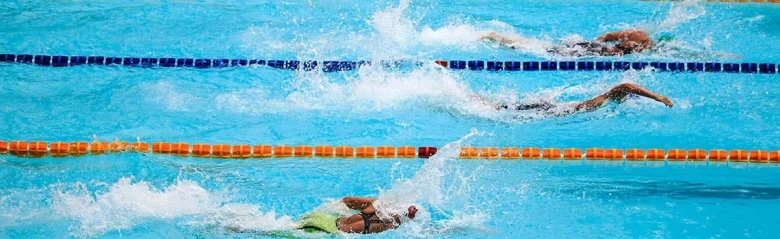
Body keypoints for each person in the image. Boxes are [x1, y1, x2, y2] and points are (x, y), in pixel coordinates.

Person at [477, 83, 673, 116]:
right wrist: (657, 97)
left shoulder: (605, 101)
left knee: (506, 107)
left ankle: (483, 101)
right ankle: (481, 102)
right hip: (554, 110)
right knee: (501, 109)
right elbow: (626, 86)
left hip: (555, 109)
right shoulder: (605, 98)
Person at [481, 29, 673, 57]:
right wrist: (593, 44)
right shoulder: (640, 37)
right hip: (593, 50)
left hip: (592, 48)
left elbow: (607, 36)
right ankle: (500, 39)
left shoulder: (637, 34)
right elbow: (607, 37)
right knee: (547, 50)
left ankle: (501, 38)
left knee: (546, 48)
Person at [296, 196, 418, 234]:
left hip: (322, 217)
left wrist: (333, 209)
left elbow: (347, 200)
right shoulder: (391, 225)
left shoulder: (376, 205)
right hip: (322, 232)